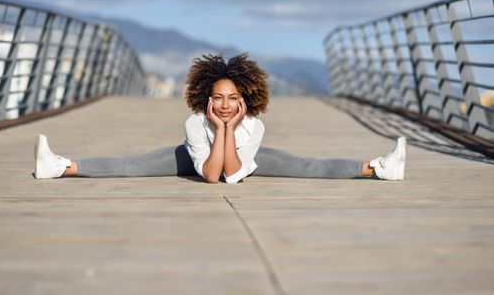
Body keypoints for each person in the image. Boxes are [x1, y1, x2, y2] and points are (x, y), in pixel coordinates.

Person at [34, 53, 406, 183]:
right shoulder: (195, 123)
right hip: (194, 159)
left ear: (245, 98)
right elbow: (210, 175)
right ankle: (59, 166)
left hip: (243, 162)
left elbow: (232, 174)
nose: (225, 105)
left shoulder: (253, 126)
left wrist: (228, 129)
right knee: (132, 164)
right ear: (206, 98)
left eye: (232, 99)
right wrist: (220, 127)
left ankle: (380, 168)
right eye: (218, 99)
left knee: (308, 165)